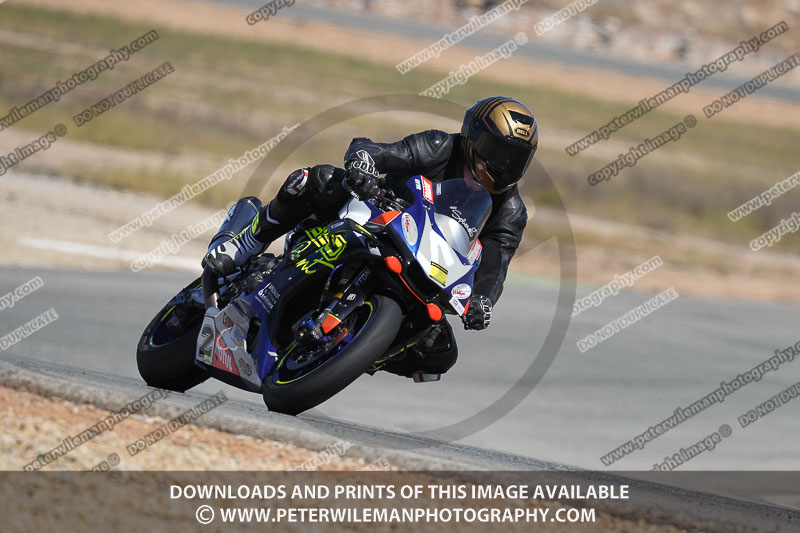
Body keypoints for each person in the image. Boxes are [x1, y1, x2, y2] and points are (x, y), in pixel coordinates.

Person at [205, 96, 538, 381]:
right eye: (498, 151)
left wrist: (482, 300)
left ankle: (358, 348)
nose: (505, 165)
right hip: (375, 220)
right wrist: (364, 164)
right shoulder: (440, 147)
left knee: (440, 354)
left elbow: (495, 264)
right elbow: (380, 151)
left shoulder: (511, 210)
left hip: (427, 267)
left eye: (516, 159)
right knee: (317, 179)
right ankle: (245, 243)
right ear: (474, 137)